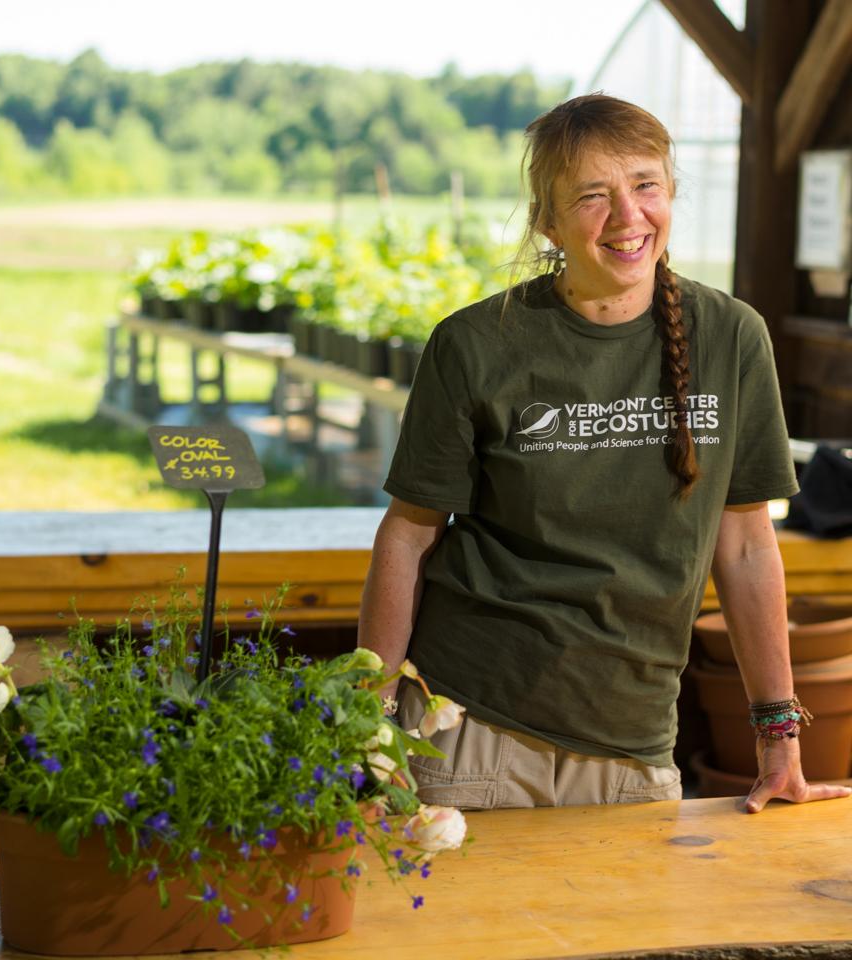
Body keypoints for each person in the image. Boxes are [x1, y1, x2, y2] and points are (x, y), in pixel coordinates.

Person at [358, 93, 852, 815]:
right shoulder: (476, 344)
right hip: (469, 729)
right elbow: (408, 535)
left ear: (671, 193)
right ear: (547, 221)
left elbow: (746, 545)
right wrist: (373, 718)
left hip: (637, 743)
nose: (627, 217)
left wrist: (780, 736)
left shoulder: (731, 336)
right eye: (593, 196)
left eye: (645, 185)